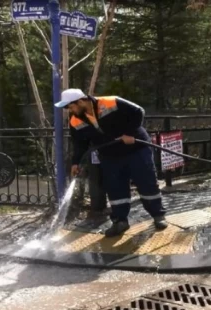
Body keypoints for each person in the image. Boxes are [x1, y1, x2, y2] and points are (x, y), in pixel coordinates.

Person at [55, 88, 168, 237]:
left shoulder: (110, 102)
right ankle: (120, 221)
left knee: (146, 183)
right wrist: (76, 162)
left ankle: (158, 216)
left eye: (70, 106)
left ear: (81, 101)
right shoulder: (75, 120)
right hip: (110, 155)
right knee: (115, 188)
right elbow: (79, 143)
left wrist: (129, 133)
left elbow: (138, 112)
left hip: (136, 149)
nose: (69, 110)